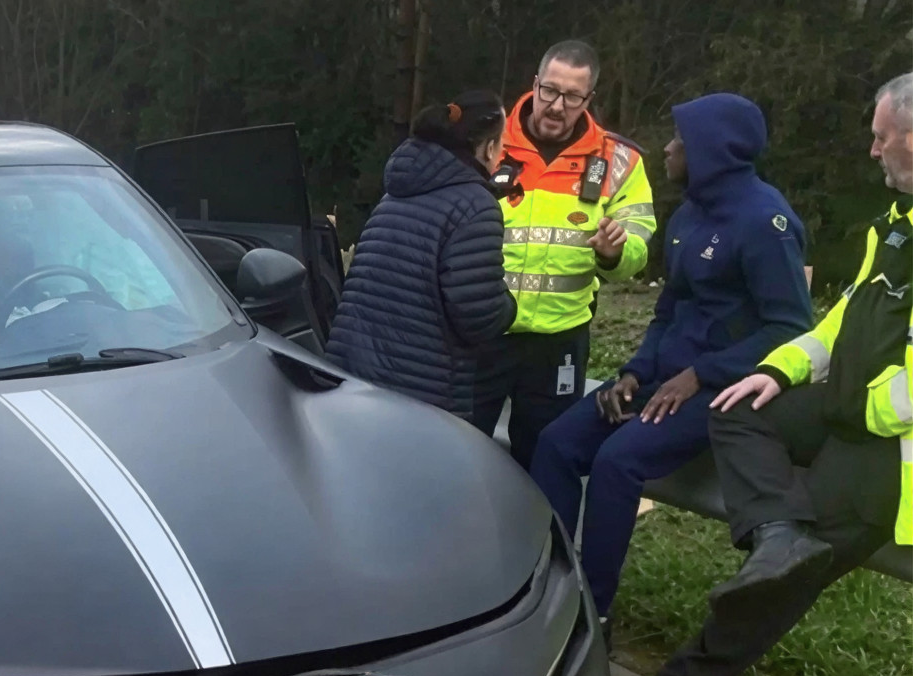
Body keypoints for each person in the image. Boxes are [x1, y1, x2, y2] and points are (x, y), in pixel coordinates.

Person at [613, 74, 913, 676]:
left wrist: (866, 407)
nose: (872, 152)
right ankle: (775, 532)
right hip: (846, 407)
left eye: (881, 138)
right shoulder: (895, 224)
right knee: (736, 405)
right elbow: (842, 321)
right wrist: (778, 371)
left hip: (890, 448)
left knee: (788, 578)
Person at [529, 94, 811, 622]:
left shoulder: (765, 222)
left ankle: (590, 614)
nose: (668, 148)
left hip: (719, 388)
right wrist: (634, 371)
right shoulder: (686, 216)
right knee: (555, 444)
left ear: (711, 151)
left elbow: (790, 327)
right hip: (661, 377)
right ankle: (550, 586)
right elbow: (670, 309)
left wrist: (700, 374)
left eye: (679, 140)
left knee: (618, 461)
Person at [469, 40, 656, 466]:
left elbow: (639, 245)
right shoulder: (485, 142)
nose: (557, 106)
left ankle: (539, 535)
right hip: (481, 331)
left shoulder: (619, 160)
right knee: (461, 450)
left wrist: (615, 252)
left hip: (559, 341)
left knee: (545, 461)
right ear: (534, 84)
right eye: (550, 91)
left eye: (572, 97)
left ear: (589, 99)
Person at [327, 92, 516, 417]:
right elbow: (478, 316)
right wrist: (509, 308)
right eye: (501, 145)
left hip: (354, 378)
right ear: (487, 148)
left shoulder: (394, 195)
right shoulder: (476, 204)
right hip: (421, 394)